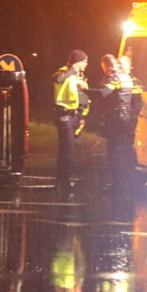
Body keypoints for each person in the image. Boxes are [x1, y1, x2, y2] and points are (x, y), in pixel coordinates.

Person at [91, 54, 139, 195]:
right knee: (123, 153)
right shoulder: (130, 79)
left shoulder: (115, 78)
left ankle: (118, 185)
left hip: (116, 119)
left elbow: (103, 94)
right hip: (126, 119)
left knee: (115, 153)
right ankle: (124, 184)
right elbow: (135, 102)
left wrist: (84, 90)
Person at [53, 50, 89, 190]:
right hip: (64, 115)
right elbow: (57, 79)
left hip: (75, 116)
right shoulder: (63, 72)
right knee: (66, 149)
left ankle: (64, 179)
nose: (86, 64)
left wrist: (82, 116)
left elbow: (83, 97)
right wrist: (72, 69)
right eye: (85, 61)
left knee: (70, 149)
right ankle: (62, 181)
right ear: (77, 62)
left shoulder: (80, 76)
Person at [117, 54, 144, 188]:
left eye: (121, 64)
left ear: (129, 65)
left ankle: (130, 179)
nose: (119, 66)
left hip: (129, 123)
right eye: (117, 64)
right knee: (119, 152)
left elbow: (138, 103)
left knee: (128, 151)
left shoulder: (135, 82)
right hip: (120, 122)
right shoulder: (116, 80)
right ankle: (122, 180)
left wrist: (131, 119)